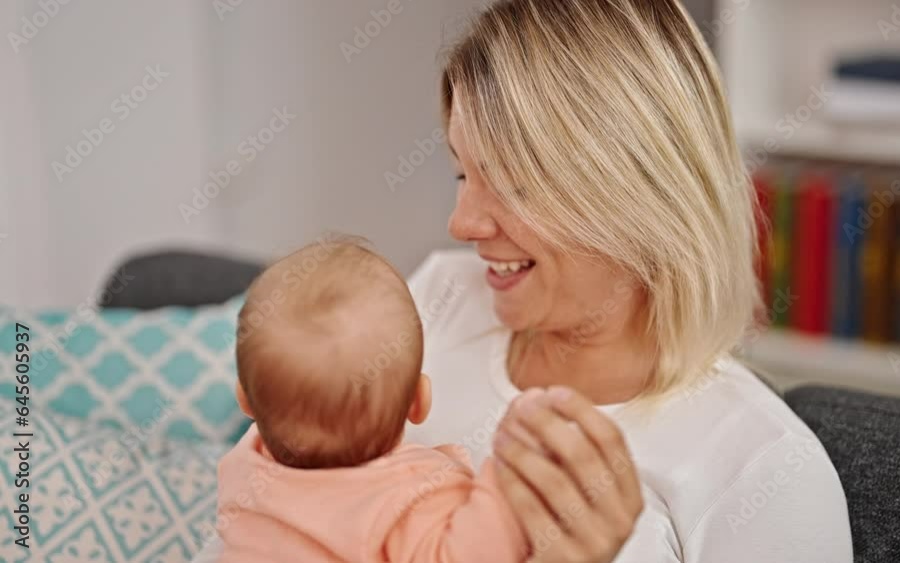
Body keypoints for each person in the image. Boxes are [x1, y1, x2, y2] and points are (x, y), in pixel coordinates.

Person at [196, 0, 853, 561]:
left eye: (513, 182)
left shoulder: (768, 471)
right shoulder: (435, 302)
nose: (461, 222)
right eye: (461, 173)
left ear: (645, 190)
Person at [216, 241, 526, 562]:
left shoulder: (241, 467)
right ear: (419, 401)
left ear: (245, 400)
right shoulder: (411, 496)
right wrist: (502, 479)